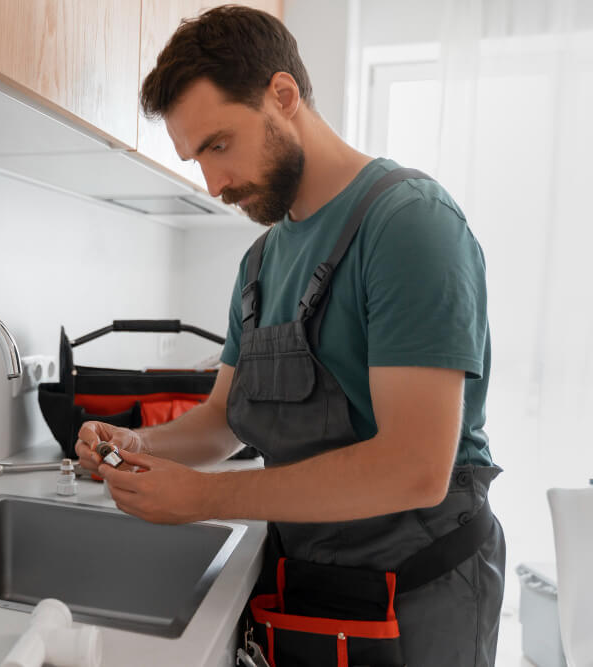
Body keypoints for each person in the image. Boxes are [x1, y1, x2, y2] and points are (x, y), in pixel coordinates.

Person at [73, 6, 505, 666]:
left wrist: (206, 497)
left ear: (283, 96)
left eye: (219, 144)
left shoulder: (409, 227)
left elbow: (416, 467)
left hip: (420, 597)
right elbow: (224, 419)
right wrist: (139, 442)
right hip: (311, 592)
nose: (213, 183)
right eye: (196, 158)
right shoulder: (261, 263)